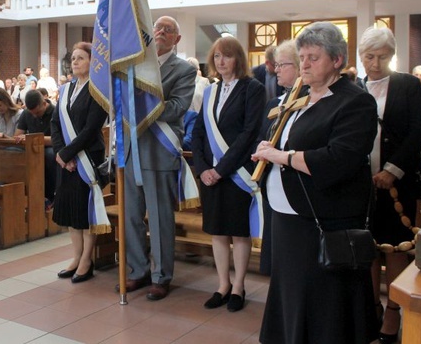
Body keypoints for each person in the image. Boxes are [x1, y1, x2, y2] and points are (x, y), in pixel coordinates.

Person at [251, 22, 379, 344]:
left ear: (337, 60)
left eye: (313, 58)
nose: (304, 65)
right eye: (302, 57)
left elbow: (339, 160)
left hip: (323, 222)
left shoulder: (355, 101)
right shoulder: (302, 96)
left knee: (324, 307)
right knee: (292, 296)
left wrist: (282, 156)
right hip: (288, 220)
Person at [358, 27, 421, 344]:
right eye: (369, 56)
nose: (375, 63)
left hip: (396, 183)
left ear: (392, 55)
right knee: (368, 248)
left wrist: (392, 170)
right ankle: (372, 308)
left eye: (382, 56)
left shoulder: (407, 84)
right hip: (363, 183)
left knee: (396, 247)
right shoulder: (355, 88)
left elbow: (417, 133)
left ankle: (393, 312)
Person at [122, 16, 196, 301]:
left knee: (160, 218)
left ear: (177, 39)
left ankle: (161, 276)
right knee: (131, 217)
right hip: (131, 151)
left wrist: (144, 101)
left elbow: (178, 108)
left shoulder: (184, 71)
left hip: (159, 150)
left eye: (169, 30)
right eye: (158, 28)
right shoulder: (137, 64)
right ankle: (137, 270)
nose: (162, 32)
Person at [192, 36, 265, 312]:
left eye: (227, 56)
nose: (221, 61)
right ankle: (222, 285)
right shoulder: (210, 90)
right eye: (217, 56)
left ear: (238, 59)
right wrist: (202, 169)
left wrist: (221, 170)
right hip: (210, 174)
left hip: (236, 174)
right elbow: (197, 132)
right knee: (218, 232)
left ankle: (238, 286)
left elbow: (249, 134)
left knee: (238, 232)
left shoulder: (252, 89)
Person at [51, 42, 108, 284]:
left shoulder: (97, 90)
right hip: (67, 160)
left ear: (92, 62)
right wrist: (61, 154)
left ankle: (87, 260)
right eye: (73, 58)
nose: (74, 62)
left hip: (88, 157)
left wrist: (69, 154)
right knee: (71, 211)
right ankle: (75, 257)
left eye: (80, 58)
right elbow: (55, 123)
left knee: (85, 210)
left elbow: (91, 128)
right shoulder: (66, 89)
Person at [254, 39, 304, 276]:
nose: (276, 70)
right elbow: (265, 135)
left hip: (297, 187)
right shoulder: (275, 103)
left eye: (282, 64)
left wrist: (277, 154)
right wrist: (263, 147)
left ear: (299, 66)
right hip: (272, 186)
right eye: (276, 64)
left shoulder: (307, 102)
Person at [14, 89, 57, 206]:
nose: (34, 115)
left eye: (37, 113)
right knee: (13, 152)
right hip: (32, 147)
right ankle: (20, 194)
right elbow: (17, 135)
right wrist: (23, 138)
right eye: (31, 112)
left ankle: (50, 195)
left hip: (50, 148)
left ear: (44, 103)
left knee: (49, 155)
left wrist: (32, 138)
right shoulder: (27, 112)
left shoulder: (56, 112)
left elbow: (57, 139)